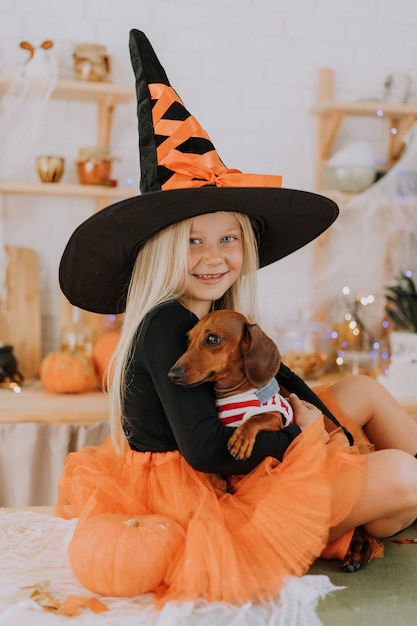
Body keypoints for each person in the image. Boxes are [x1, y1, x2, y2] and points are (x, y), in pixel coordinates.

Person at [57, 29, 417, 606]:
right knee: (402, 477)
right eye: (193, 241)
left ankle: (375, 505)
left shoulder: (220, 314)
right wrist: (300, 439)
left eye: (228, 238)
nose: (213, 256)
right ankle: (355, 517)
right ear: (164, 250)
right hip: (215, 488)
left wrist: (337, 438)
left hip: (256, 446)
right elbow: (205, 451)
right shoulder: (165, 325)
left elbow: (283, 382)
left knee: (362, 390)